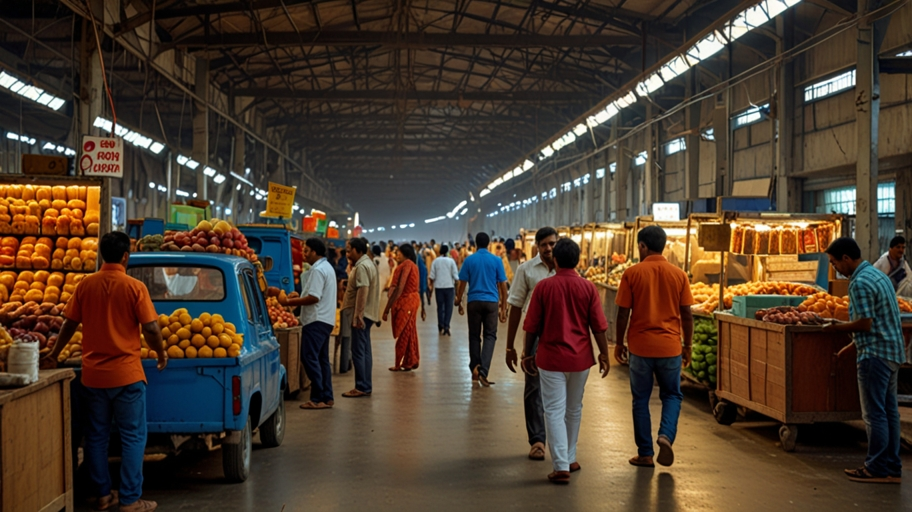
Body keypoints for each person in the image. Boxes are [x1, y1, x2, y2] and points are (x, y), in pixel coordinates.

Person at [45, 231, 166, 512]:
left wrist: (54, 354)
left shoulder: (86, 285)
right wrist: (160, 353)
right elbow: (150, 328)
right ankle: (130, 499)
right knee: (133, 437)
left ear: (101, 254)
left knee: (96, 437)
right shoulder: (134, 287)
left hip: (94, 377)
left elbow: (68, 324)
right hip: (126, 376)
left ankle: (102, 495)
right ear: (126, 256)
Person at [521, 238, 610, 485]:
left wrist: (527, 354)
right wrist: (604, 353)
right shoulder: (588, 288)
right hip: (580, 359)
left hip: (550, 359)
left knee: (553, 410)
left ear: (556, 260)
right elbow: (599, 326)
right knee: (574, 408)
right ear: (578, 261)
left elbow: (531, 326)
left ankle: (561, 465)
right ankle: (569, 458)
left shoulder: (544, 288)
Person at [823, 237, 905, 483]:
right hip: (892, 353)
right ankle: (892, 467)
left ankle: (876, 467)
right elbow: (880, 321)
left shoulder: (859, 283)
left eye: (835, 263)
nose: (835, 268)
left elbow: (865, 323)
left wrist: (836, 327)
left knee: (874, 414)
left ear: (846, 258)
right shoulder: (878, 276)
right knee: (890, 412)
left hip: (875, 357)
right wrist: (851, 347)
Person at [615, 226, 694, 468]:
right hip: (670, 347)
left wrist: (619, 342)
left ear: (642, 246)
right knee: (671, 395)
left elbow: (622, 313)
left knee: (641, 399)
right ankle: (665, 436)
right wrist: (687, 344)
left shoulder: (632, 273)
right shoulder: (679, 275)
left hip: (640, 347)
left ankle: (646, 453)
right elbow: (687, 314)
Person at [505, 227, 558, 461]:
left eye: (552, 244)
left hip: (562, 334)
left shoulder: (566, 268)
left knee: (561, 390)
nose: (548, 248)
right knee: (534, 386)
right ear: (536, 246)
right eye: (544, 244)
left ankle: (561, 443)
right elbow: (515, 306)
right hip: (534, 335)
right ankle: (537, 440)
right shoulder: (526, 270)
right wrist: (510, 346)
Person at [272, 238, 337, 410]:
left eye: (307, 251)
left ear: (315, 252)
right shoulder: (326, 267)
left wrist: (288, 303)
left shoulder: (318, 270)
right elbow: (313, 292)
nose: (304, 254)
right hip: (325, 320)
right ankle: (327, 397)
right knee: (321, 360)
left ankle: (317, 398)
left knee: (309, 358)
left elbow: (314, 298)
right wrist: (297, 295)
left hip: (316, 320)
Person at [455, 232, 508, 386]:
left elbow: (462, 282)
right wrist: (503, 307)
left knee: (474, 336)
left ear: (476, 244)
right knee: (490, 336)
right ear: (489, 243)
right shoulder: (496, 260)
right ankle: (484, 370)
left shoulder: (469, 260)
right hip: (491, 302)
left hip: (474, 302)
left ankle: (475, 367)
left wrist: (459, 300)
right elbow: (503, 285)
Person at [341, 238, 380, 398]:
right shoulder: (368, 263)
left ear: (358, 250)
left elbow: (363, 290)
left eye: (350, 250)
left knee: (358, 351)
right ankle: (365, 385)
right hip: (367, 314)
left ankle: (362, 386)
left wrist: (358, 314)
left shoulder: (362, 266)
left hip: (362, 315)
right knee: (364, 351)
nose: (348, 254)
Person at [383, 244, 425, 371]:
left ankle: (398, 363)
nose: (397, 255)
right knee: (409, 331)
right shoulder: (413, 265)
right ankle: (410, 361)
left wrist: (387, 308)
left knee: (404, 333)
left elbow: (400, 287)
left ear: (405, 253)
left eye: (399, 253)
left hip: (406, 302)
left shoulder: (407, 264)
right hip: (412, 301)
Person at [430, 244, 459, 335]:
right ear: (447, 252)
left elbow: (432, 276)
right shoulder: (451, 261)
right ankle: (447, 325)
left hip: (438, 287)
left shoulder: (435, 261)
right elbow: (455, 276)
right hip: (449, 287)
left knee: (440, 307)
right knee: (448, 308)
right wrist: (457, 290)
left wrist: (430, 288)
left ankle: (440, 325)